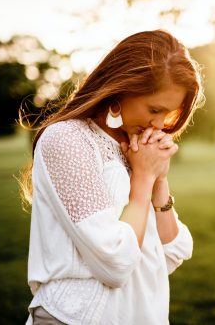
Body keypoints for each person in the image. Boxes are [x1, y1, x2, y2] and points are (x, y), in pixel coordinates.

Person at [19, 30, 204, 324]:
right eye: (154, 109)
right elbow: (115, 262)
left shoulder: (135, 147)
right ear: (121, 88)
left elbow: (173, 251)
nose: (160, 125)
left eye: (168, 114)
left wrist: (158, 179)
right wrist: (142, 180)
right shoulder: (68, 140)